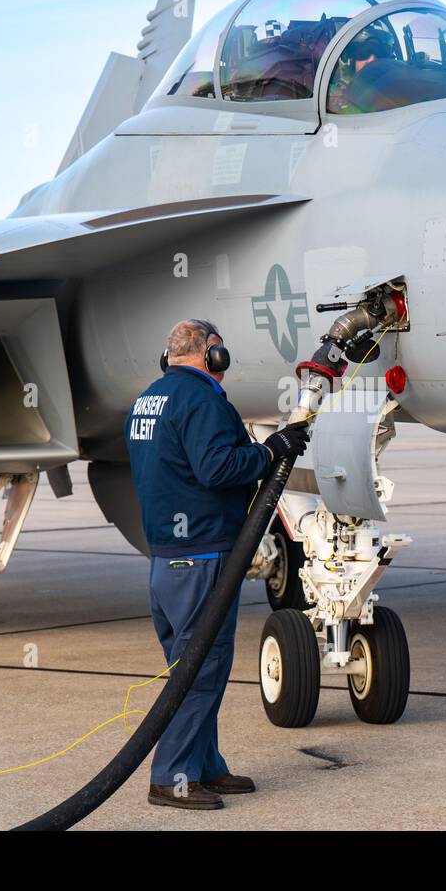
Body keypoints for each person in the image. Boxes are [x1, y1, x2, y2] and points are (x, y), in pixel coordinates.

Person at [125, 319, 310, 810]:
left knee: (191, 667)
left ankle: (204, 766)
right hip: (201, 556)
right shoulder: (202, 401)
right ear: (213, 355)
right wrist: (272, 449)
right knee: (201, 670)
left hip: (166, 559)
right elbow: (218, 469)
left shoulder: (148, 400)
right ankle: (172, 778)